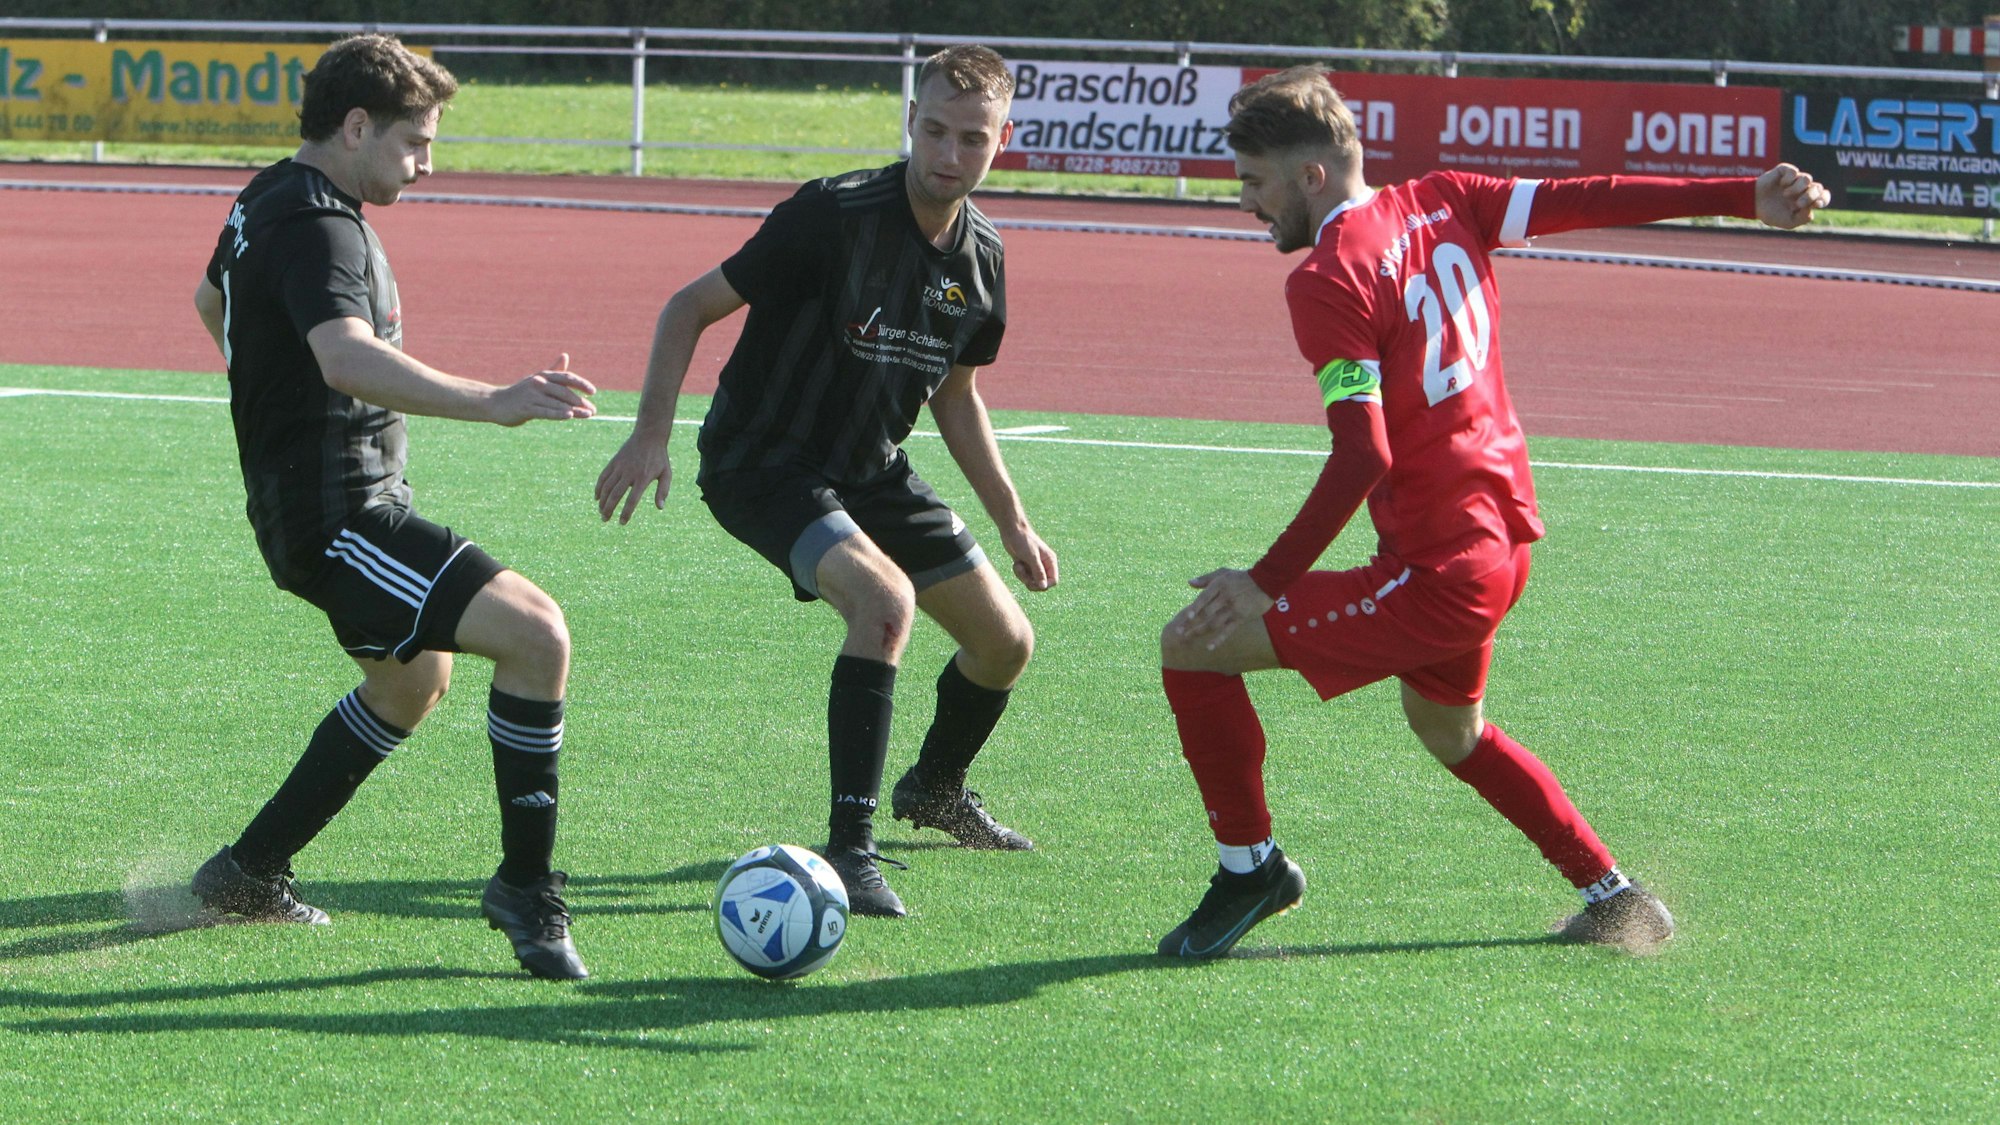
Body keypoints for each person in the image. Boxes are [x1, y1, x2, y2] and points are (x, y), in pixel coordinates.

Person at [1155, 66, 1830, 959]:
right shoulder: (1449, 199)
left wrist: (1262, 582)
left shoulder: (1327, 278)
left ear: (1311, 177)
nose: (1247, 202)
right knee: (1450, 728)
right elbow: (1590, 196)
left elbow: (1364, 455)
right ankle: (1618, 899)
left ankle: (1252, 872)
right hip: (1503, 544)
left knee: (1191, 646)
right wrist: (1744, 192)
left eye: (1254, 181)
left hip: (1438, 571)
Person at [595, 44, 1056, 918]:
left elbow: (958, 396)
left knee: (1005, 644)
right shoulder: (833, 213)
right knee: (884, 605)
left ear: (1003, 139)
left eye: (971, 138)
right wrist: (651, 431)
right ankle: (851, 848)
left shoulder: (983, 258)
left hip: (871, 469)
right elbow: (687, 307)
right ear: (908, 121)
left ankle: (935, 788)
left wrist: (1013, 520)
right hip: (761, 460)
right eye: (932, 131)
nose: (948, 154)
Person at [189, 34, 599, 980]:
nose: (428, 163)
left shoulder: (266, 195)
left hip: (318, 508)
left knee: (414, 683)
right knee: (538, 635)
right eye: (416, 142)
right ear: (357, 125)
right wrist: (494, 401)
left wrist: (268, 401)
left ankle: (246, 870)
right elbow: (343, 355)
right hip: (343, 519)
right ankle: (525, 891)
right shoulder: (320, 224)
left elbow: (213, 302)